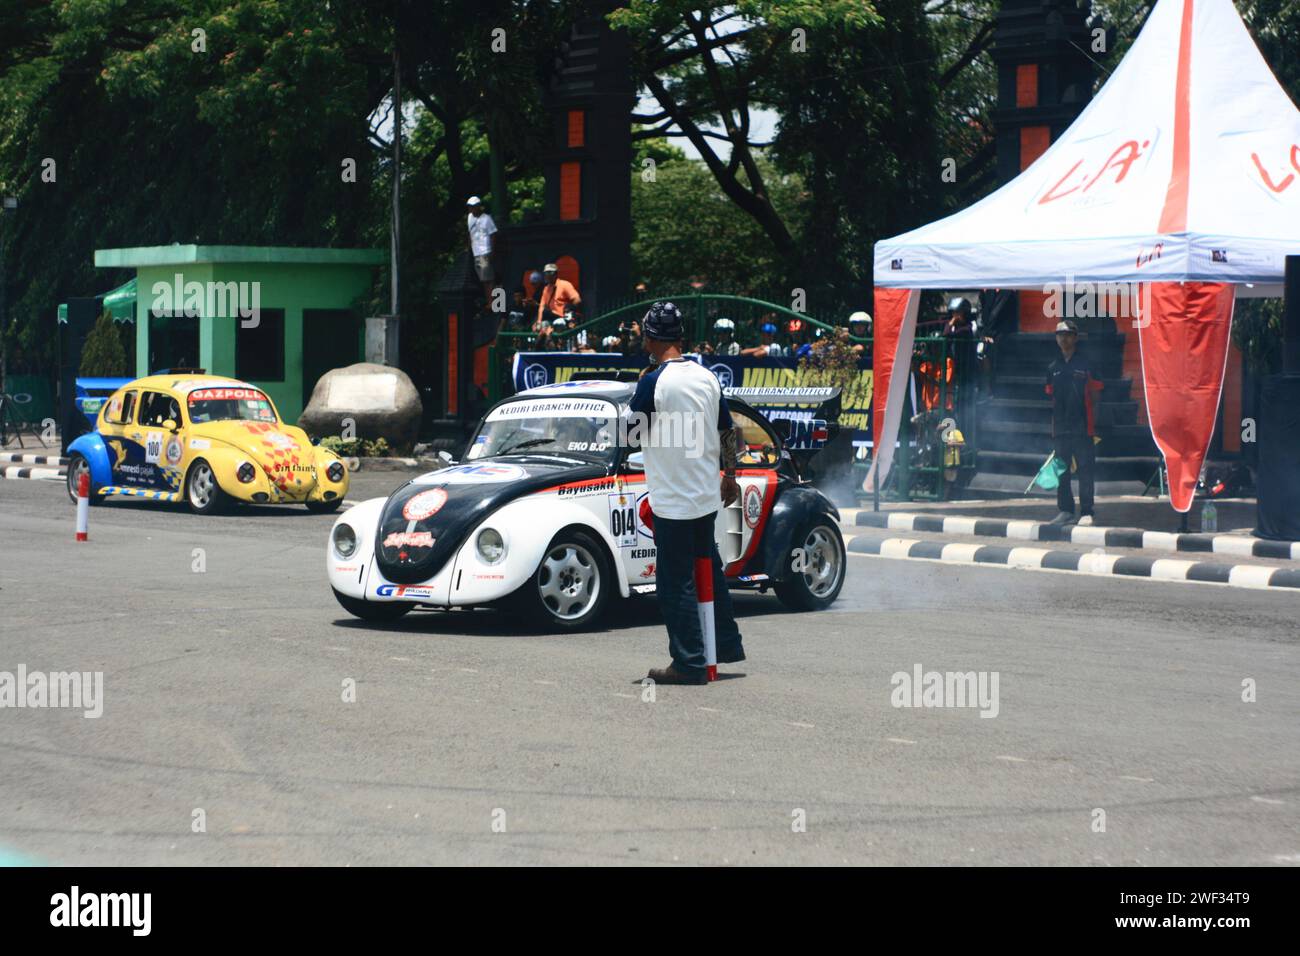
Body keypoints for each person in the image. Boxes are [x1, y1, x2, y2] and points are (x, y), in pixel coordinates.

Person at [629, 301, 744, 686]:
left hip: (672, 499)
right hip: (705, 494)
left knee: (674, 582)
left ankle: (690, 662)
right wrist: (729, 474)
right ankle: (724, 646)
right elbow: (728, 430)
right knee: (708, 567)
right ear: (680, 337)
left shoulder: (652, 381)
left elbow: (631, 434)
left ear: (649, 337)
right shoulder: (706, 377)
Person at [1046, 319, 1104, 526]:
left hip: (1083, 426)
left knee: (1085, 470)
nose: (1064, 338)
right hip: (1060, 428)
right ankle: (1066, 510)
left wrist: (1092, 423)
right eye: (1060, 335)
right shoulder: (1052, 367)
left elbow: (1096, 395)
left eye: (1068, 334)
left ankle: (1087, 511)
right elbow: (1051, 396)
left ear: (1075, 338)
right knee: (1061, 471)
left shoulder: (1087, 365)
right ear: (1056, 338)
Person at [465, 196, 497, 303]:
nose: (471, 209)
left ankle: (492, 302)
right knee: (482, 279)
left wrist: (492, 251)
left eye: (473, 207)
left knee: (488, 279)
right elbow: (470, 233)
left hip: (484, 252)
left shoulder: (486, 219)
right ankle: (489, 301)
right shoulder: (470, 217)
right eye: (470, 207)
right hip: (476, 252)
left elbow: (493, 235)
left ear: (478, 207)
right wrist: (469, 248)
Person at [535, 263, 581, 330]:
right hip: (552, 317)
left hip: (563, 318)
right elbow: (542, 307)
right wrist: (539, 322)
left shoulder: (564, 285)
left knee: (558, 323)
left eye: (550, 273)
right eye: (546, 273)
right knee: (542, 325)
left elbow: (577, 300)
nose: (547, 275)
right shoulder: (546, 289)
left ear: (555, 274)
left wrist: (569, 311)